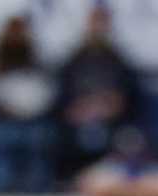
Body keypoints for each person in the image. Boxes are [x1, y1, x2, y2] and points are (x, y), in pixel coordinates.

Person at [0, 14, 60, 194]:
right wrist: (1, 108)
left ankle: (37, 189)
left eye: (19, 32)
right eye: (12, 32)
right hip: (1, 119)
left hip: (33, 120)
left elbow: (48, 95)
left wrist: (30, 110)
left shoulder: (39, 65)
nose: (16, 37)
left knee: (39, 139)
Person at [56, 2, 143, 174]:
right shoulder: (73, 61)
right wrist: (75, 111)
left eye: (102, 22)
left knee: (126, 138)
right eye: (94, 22)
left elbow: (131, 96)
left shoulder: (119, 60)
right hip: (76, 122)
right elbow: (61, 97)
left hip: (112, 122)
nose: (98, 27)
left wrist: (112, 107)